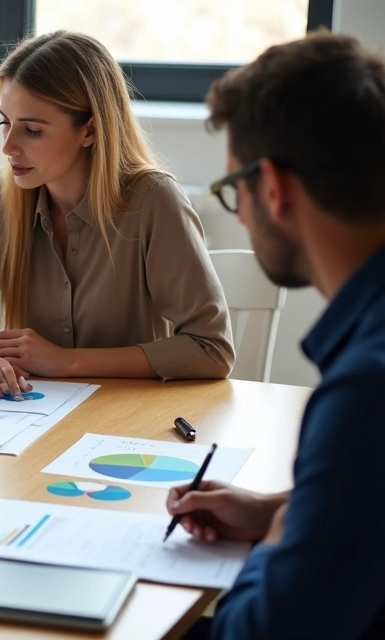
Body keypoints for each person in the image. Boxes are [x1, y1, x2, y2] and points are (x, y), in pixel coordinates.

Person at [166, 32, 385, 639]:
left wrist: (287, 533)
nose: (238, 211)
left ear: (274, 188)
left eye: (234, 191)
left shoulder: (365, 390)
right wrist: (281, 510)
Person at [0, 31, 234, 400]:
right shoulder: (1, 195)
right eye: (5, 123)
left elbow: (211, 349)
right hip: (30, 419)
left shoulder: (154, 200)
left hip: (126, 423)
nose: (8, 147)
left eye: (32, 130)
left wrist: (67, 362)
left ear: (91, 129)